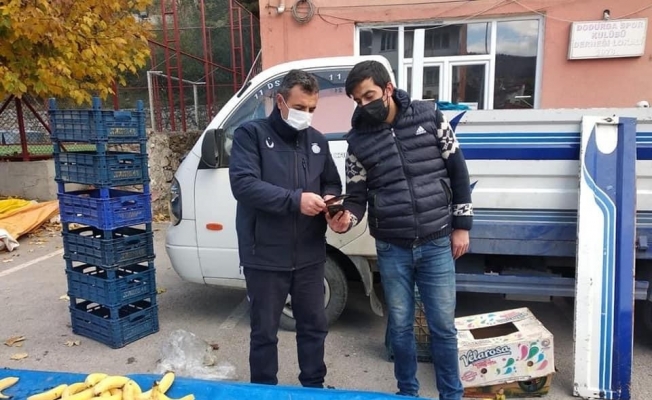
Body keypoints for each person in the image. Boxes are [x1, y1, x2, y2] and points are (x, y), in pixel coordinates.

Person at [327, 60, 473, 399]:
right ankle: (407, 392)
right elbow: (357, 195)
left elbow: (458, 171)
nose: (364, 105)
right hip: (392, 247)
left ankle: (451, 394)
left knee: (443, 327)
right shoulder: (357, 142)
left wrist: (462, 226)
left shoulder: (430, 117)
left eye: (369, 96)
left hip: (436, 240)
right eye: (357, 100)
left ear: (388, 89)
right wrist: (346, 218)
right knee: (401, 327)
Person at [229, 69, 342, 388]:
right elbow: (243, 185)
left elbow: (331, 182)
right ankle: (264, 391)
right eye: (300, 107)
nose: (306, 114)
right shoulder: (250, 134)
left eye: (312, 108)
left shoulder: (317, 141)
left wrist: (331, 200)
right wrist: (296, 200)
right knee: (264, 333)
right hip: (264, 255)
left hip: (309, 254)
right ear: (280, 101)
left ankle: (314, 388)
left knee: (314, 328)